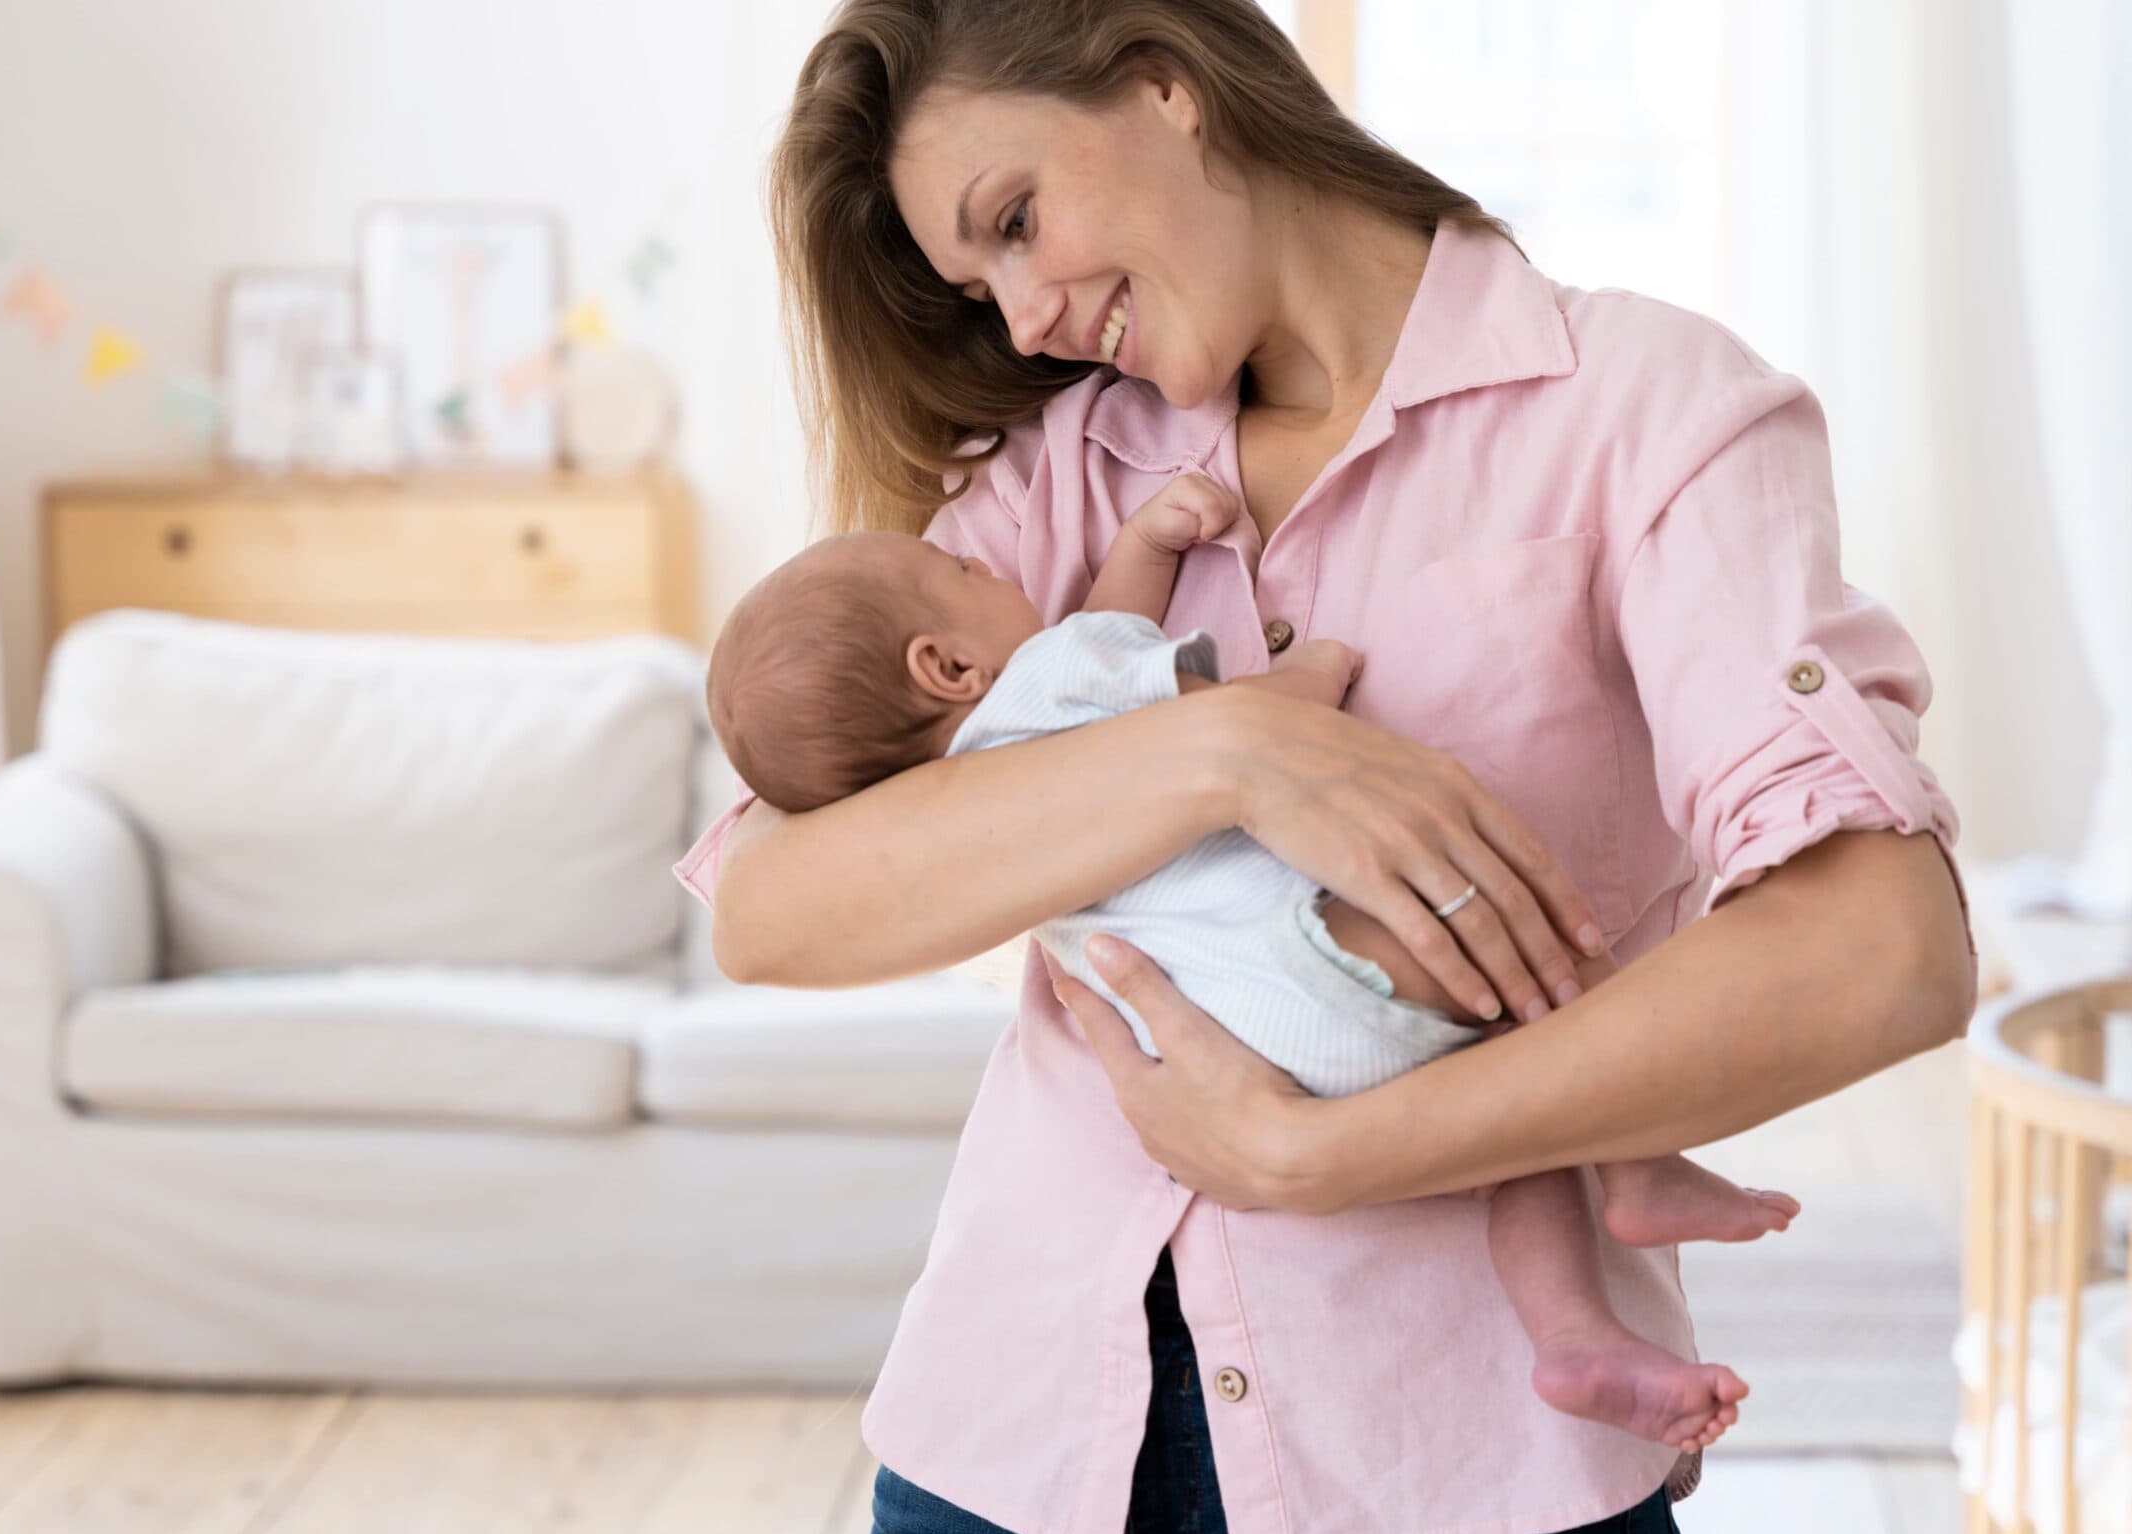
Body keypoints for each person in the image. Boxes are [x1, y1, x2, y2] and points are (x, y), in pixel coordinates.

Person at [678, 0, 1977, 1534]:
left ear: (1165, 84)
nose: (1021, 319)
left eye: (1015, 219)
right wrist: (1224, 752)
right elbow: (775, 908)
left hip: (1468, 1478)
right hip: (1016, 1453)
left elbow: (1886, 949)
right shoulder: (1061, 473)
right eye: (976, 282)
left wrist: (1325, 1154)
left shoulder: (1646, 413)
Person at [705, 477, 1799, 1456]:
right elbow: (1241, 722)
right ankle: (1632, 1173)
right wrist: (1315, 671)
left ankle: (1577, 1340)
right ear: (945, 664)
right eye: (962, 574)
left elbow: (1104, 636)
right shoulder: (1048, 681)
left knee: (1521, 1133)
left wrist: (1143, 542)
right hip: (1317, 960)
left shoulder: (965, 796)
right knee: (1535, 944)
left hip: (1234, 1042)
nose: (987, 566)